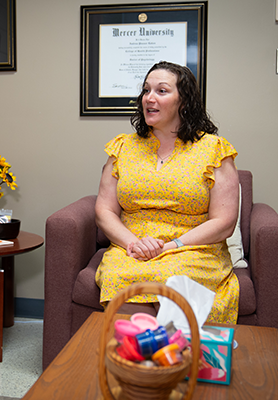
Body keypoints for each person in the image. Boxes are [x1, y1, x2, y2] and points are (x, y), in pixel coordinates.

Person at [94, 61, 240, 324]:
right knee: (118, 276)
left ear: (183, 102)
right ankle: (147, 355)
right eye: (146, 90)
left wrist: (171, 246)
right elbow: (104, 210)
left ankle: (172, 356)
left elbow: (225, 221)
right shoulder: (122, 148)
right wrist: (133, 243)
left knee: (176, 275)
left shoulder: (214, 149)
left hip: (191, 249)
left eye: (161, 91)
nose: (149, 98)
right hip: (133, 247)